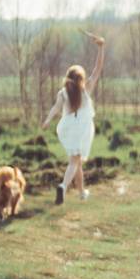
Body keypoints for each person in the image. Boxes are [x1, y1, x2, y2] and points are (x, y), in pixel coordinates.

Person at [41, 31, 106, 204]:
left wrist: (47, 120)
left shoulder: (62, 92)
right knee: (74, 161)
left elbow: (56, 108)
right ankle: (63, 186)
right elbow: (98, 68)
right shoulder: (86, 89)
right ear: (81, 79)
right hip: (82, 128)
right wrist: (101, 47)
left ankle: (82, 192)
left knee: (76, 161)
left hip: (68, 127)